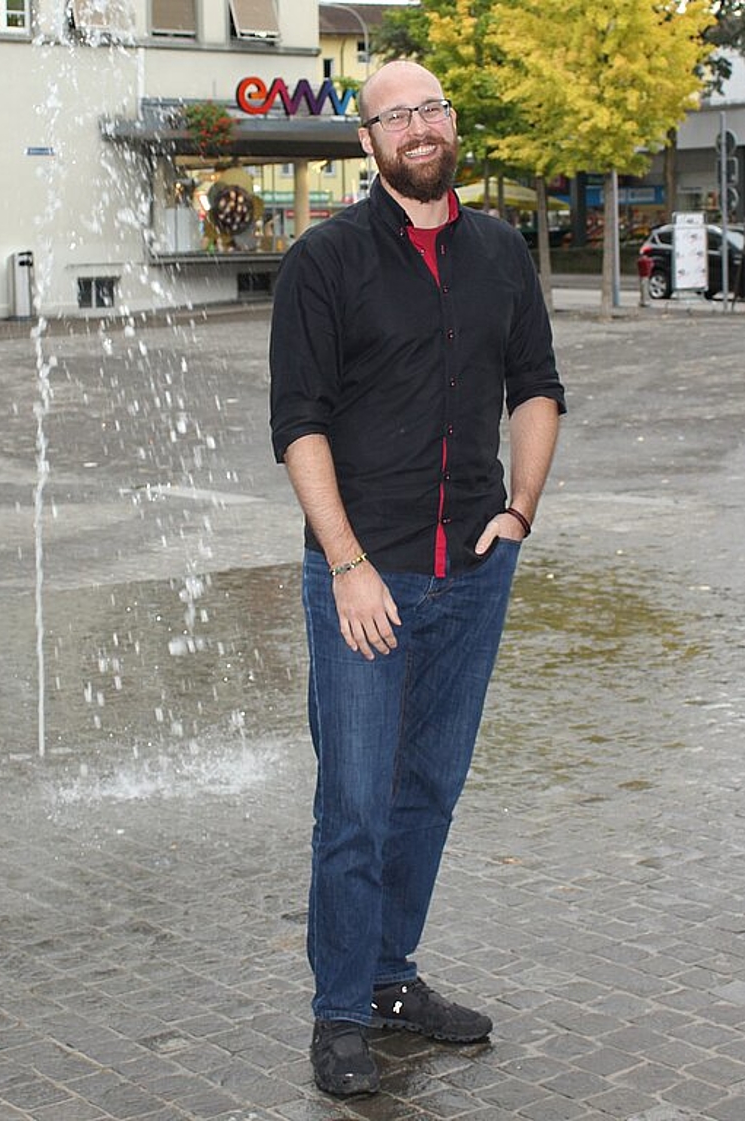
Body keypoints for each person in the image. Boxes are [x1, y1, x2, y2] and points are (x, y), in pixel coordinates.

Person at [269, 60, 566, 1098]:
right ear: (367, 142)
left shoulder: (497, 253)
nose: (419, 126)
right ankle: (340, 1009)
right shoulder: (323, 261)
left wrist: (518, 510)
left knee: (427, 793)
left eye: (432, 108)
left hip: (471, 572)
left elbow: (535, 388)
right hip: (366, 576)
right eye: (396, 115)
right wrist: (346, 563)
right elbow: (299, 423)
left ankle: (390, 978)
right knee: (353, 801)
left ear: (450, 126)